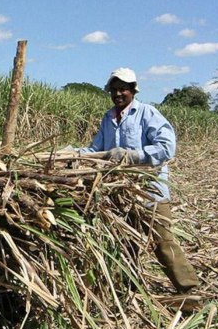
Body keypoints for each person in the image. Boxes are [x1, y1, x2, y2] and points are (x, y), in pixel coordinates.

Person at [80, 67, 200, 294]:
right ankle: (130, 289)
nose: (118, 94)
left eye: (123, 89)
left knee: (162, 242)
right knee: (126, 243)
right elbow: (96, 150)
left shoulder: (147, 113)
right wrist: (75, 153)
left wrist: (134, 155)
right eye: (114, 90)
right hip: (121, 194)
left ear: (133, 90)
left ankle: (189, 289)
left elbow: (167, 148)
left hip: (150, 194)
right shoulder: (108, 118)